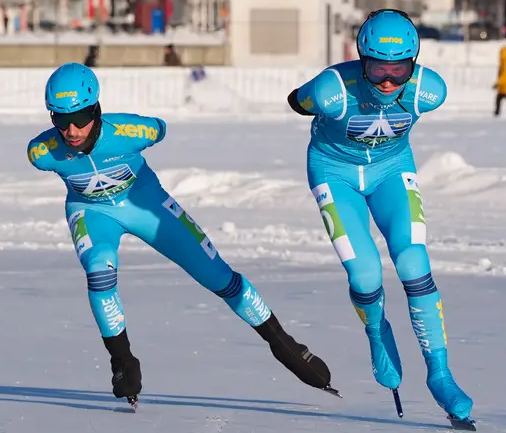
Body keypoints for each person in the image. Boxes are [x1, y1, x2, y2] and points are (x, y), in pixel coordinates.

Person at [27, 63, 336, 407]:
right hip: (91, 212)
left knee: (217, 275)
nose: (70, 130)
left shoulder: (131, 132)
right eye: (59, 119)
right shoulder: (42, 153)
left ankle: (284, 344)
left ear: (97, 108)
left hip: (145, 204)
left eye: (81, 116)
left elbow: (159, 128)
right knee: (99, 271)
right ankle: (122, 361)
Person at [287, 9, 475, 429]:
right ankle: (377, 333)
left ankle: (440, 374)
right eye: (377, 69)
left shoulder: (430, 90)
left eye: (400, 69)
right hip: (334, 173)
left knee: (413, 261)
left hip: (390, 170)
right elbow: (295, 101)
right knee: (366, 274)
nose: (389, 81)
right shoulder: (333, 89)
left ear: (416, 62)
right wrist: (308, 95)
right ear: (360, 60)